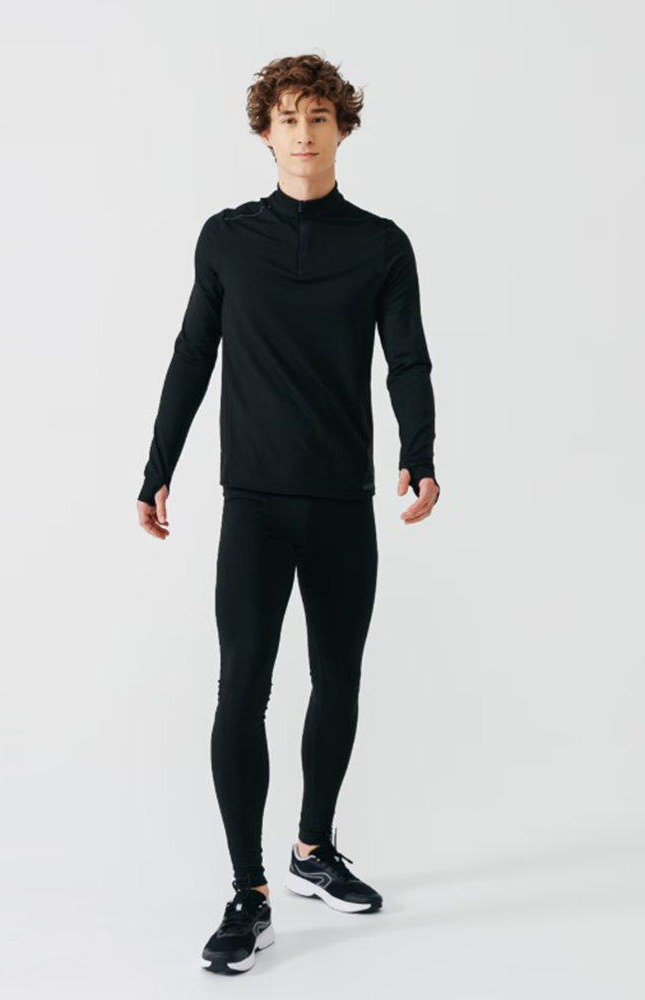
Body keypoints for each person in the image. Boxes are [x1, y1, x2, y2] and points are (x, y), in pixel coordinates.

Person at [135, 53, 440, 975]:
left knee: (337, 682)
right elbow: (193, 353)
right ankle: (249, 891)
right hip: (256, 505)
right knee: (243, 689)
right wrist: (157, 467)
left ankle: (312, 849)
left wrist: (419, 451)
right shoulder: (227, 239)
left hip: (343, 501)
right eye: (288, 118)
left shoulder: (381, 245)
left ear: (341, 128)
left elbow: (407, 359)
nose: (303, 133)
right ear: (264, 133)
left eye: (318, 117)